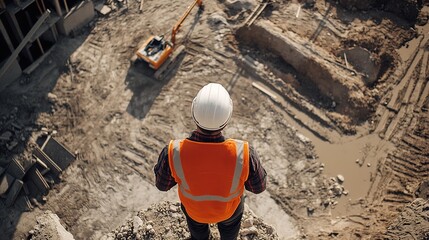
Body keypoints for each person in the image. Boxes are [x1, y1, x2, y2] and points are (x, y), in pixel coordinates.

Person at [154, 83, 267, 240]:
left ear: (193, 112)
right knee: (230, 233)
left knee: (198, 234)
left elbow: (162, 185)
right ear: (227, 118)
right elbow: (258, 187)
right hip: (228, 211)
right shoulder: (244, 153)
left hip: (194, 211)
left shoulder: (173, 151)